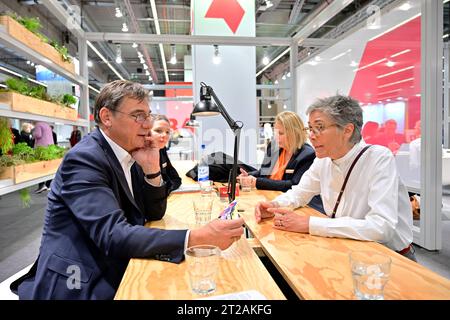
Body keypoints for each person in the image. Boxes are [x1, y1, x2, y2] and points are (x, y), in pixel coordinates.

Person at [11, 80, 244, 300]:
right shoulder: (84, 159)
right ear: (106, 117)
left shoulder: (127, 151)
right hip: (81, 279)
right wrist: (196, 238)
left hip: (115, 262)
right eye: (137, 116)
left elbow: (153, 214)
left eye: (148, 115)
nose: (148, 124)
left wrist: (152, 169)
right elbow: (113, 235)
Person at [254, 95, 416, 262]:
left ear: (347, 130)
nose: (312, 136)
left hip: (391, 258)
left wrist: (310, 224)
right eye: (310, 128)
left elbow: (381, 227)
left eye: (320, 127)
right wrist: (274, 205)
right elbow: (299, 193)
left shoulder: (378, 158)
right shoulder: (322, 160)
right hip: (346, 248)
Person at [239, 111, 323, 212]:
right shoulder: (274, 147)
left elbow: (293, 185)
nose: (276, 137)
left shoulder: (307, 155)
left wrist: (256, 182)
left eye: (281, 133)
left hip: (293, 206)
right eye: (276, 133)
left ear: (294, 133)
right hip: (267, 197)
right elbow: (263, 172)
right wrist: (248, 176)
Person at [151, 114, 182, 193]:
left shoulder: (162, 149)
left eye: (167, 132)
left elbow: (176, 178)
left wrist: (167, 188)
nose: (164, 135)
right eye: (158, 130)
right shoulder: (140, 157)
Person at [33, 121, 54, 194]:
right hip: (49, 147)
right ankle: (48, 185)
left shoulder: (38, 124)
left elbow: (38, 135)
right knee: (49, 166)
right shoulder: (47, 124)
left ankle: (41, 186)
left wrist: (33, 133)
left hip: (41, 148)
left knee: (40, 167)